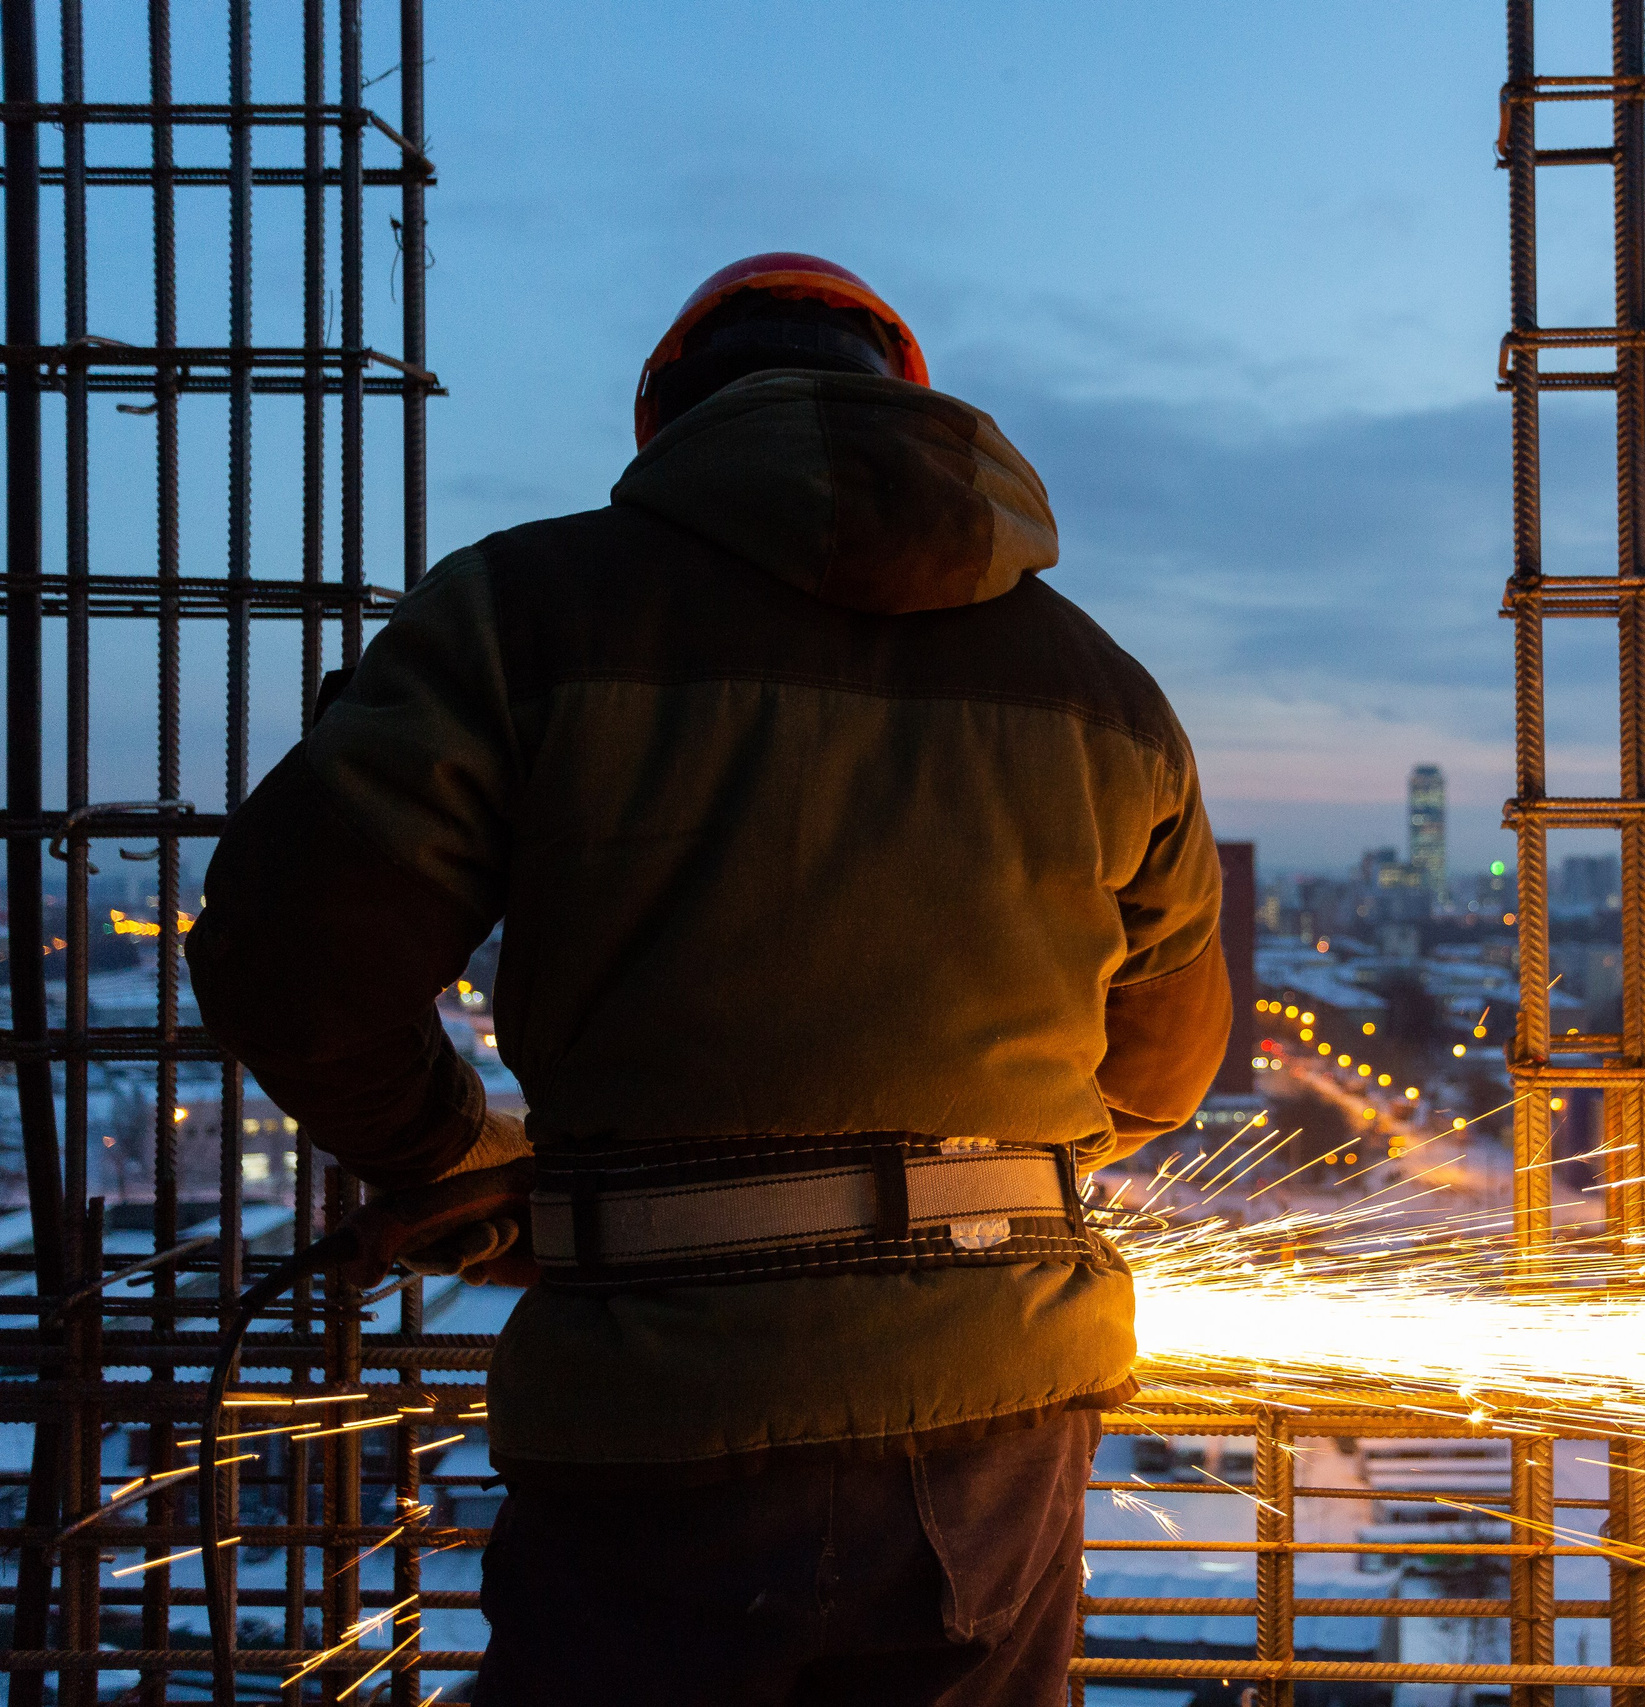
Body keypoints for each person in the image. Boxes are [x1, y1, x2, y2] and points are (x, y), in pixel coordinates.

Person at [188, 252, 1231, 1706]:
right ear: (912, 408)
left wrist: (459, 1156)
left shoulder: (526, 612)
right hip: (997, 1410)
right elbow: (1156, 1076)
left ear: (666, 426)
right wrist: (955, 1182)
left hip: (657, 1422)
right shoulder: (1104, 691)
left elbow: (293, 956)